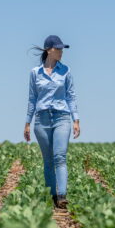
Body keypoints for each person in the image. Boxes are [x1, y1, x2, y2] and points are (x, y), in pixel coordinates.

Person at [24, 35, 80, 209]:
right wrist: (27, 123)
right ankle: (53, 196)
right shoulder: (35, 73)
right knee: (48, 161)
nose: (61, 51)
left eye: (62, 48)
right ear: (49, 50)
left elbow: (71, 96)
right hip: (41, 119)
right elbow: (32, 99)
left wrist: (76, 119)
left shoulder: (66, 71)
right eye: (58, 48)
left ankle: (62, 196)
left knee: (60, 157)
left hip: (62, 117)